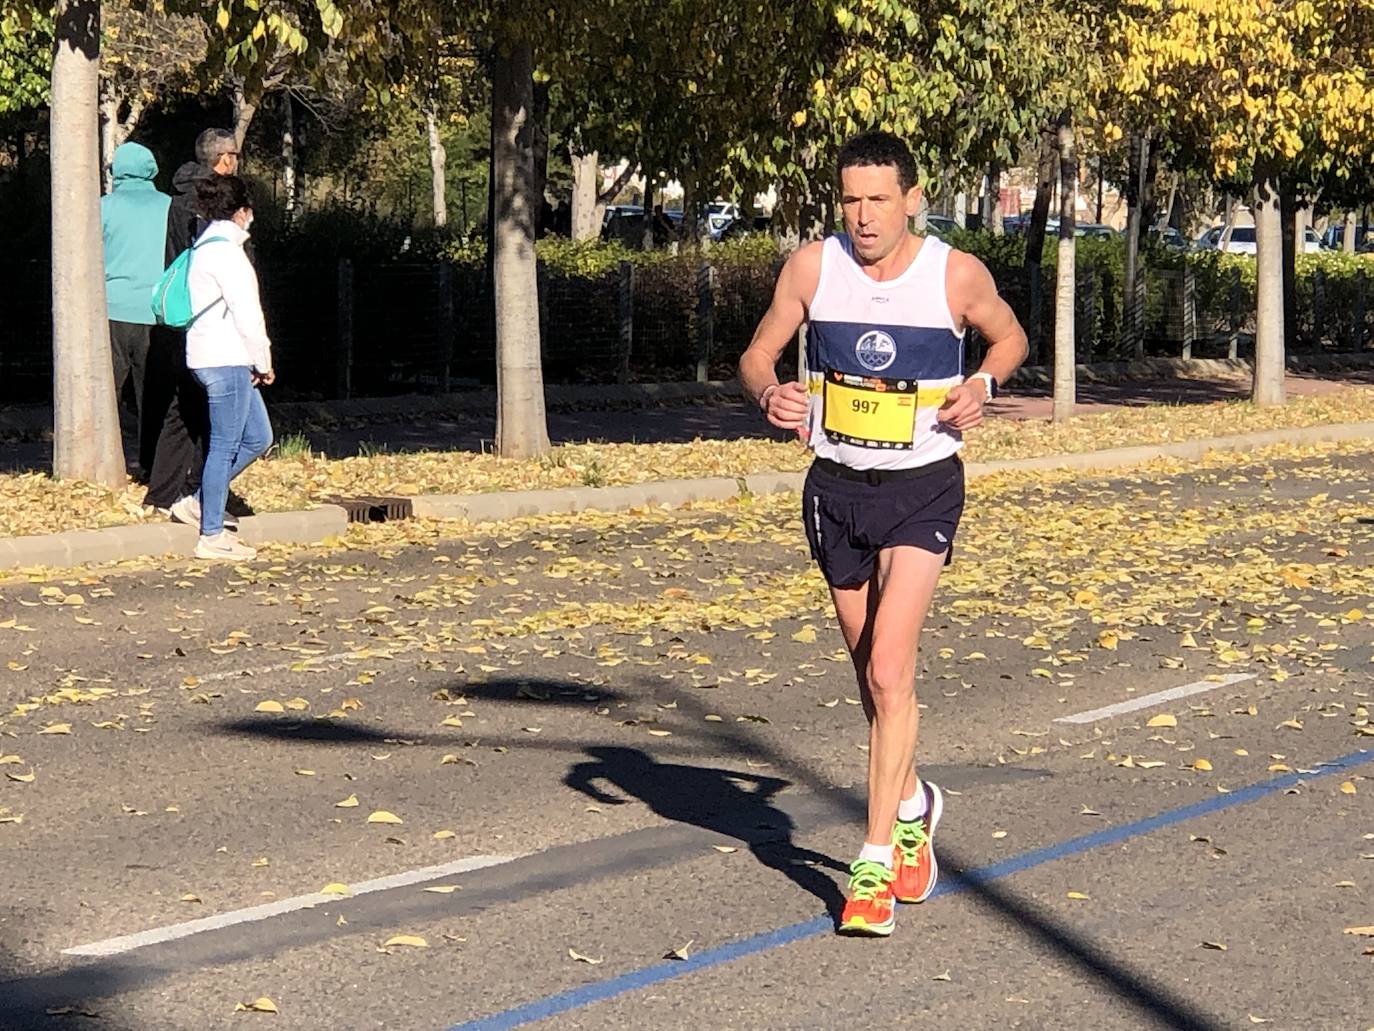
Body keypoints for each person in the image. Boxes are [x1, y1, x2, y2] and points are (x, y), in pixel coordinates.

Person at [738, 131, 1028, 937]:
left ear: (911, 200)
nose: (863, 216)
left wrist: (981, 381)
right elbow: (758, 354)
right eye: (850, 200)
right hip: (835, 490)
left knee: (894, 668)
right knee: (872, 676)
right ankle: (912, 804)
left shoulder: (955, 274)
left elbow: (1011, 337)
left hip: (923, 489)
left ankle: (871, 864)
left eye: (878, 199)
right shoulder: (810, 267)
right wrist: (771, 395)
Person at [169, 174, 274, 561]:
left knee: (258, 437)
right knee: (225, 445)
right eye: (251, 212)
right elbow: (248, 315)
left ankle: (198, 502)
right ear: (242, 213)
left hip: (210, 356)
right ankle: (210, 535)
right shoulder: (229, 256)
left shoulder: (203, 247)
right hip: (226, 359)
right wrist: (263, 361)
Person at [144, 128, 239, 518]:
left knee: (184, 411)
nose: (237, 161)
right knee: (223, 417)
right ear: (223, 159)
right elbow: (217, 261)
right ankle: (198, 493)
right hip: (211, 319)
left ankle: (163, 494)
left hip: (183, 319)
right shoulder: (211, 202)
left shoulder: (179, 198)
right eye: (234, 154)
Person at [100, 141, 171, 478]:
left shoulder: (104, 207)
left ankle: (104, 464)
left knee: (108, 392)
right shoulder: (169, 206)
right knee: (153, 397)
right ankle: (152, 466)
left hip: (112, 312)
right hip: (157, 314)